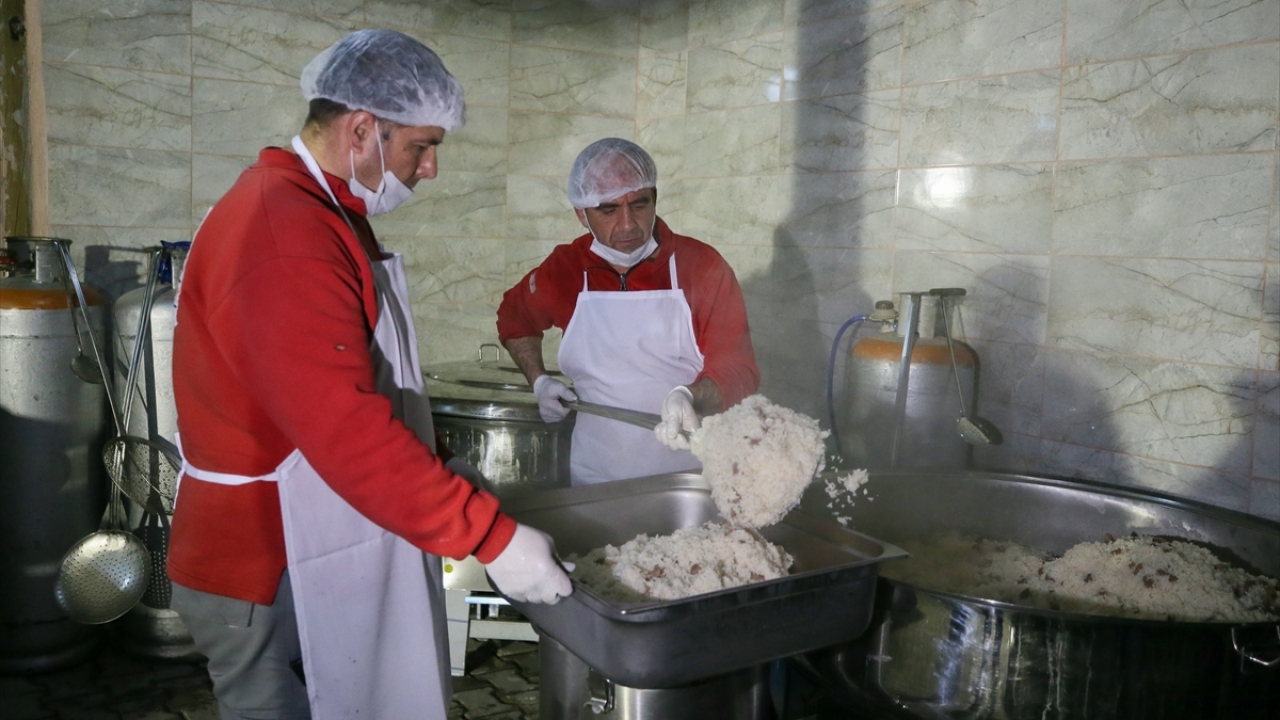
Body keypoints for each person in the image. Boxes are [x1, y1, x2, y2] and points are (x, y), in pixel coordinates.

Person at [166, 29, 571, 720]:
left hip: (307, 533)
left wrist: (441, 468)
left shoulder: (323, 212)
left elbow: (361, 378)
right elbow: (343, 426)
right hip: (266, 556)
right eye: (423, 145)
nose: (432, 167)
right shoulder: (282, 229)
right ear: (361, 130)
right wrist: (487, 536)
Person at [496, 138, 759, 485]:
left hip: (691, 480)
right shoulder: (567, 269)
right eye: (608, 209)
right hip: (595, 480)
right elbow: (514, 321)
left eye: (638, 204)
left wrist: (689, 395)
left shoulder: (701, 267)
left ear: (654, 199)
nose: (627, 225)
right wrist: (540, 381)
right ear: (581, 214)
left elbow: (740, 371)